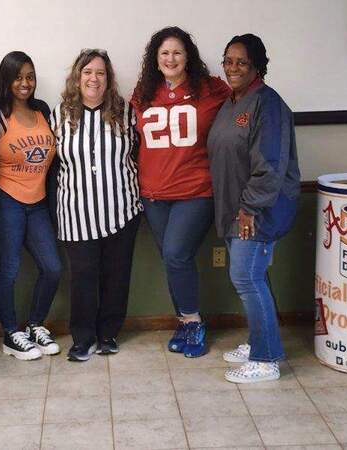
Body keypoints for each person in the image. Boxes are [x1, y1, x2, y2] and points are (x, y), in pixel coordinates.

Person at [131, 26, 230, 358]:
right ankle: (186, 321)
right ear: (155, 60)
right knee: (173, 259)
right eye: (164, 53)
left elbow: (240, 114)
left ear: (188, 56)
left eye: (176, 52)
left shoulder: (212, 89)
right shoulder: (143, 93)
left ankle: (193, 321)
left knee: (175, 254)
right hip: (154, 193)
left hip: (196, 190)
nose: (170, 58)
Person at [207, 34, 300, 383]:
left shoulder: (268, 104)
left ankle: (266, 359)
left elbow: (270, 164)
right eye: (228, 60)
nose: (233, 67)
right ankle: (261, 340)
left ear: (257, 66)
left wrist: (249, 208)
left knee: (246, 277)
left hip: (257, 210)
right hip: (233, 207)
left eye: (241, 62)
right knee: (252, 277)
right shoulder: (232, 102)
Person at [51, 49, 142, 362]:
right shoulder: (58, 115)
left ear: (109, 79)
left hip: (122, 210)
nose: (94, 78)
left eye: (100, 73)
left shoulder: (126, 113)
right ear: (77, 77)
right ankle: (83, 338)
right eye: (87, 71)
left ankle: (109, 334)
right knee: (83, 278)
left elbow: (141, 156)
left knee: (117, 275)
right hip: (76, 214)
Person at [0, 51, 62, 361]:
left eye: (30, 76)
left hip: (38, 203)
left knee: (52, 268)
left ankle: (36, 325)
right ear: (6, 80)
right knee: (9, 270)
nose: (25, 83)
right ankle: (11, 333)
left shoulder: (42, 111)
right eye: (18, 77)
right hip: (6, 202)